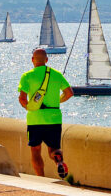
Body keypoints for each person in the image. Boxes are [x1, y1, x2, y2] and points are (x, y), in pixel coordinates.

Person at [17, 45, 76, 179]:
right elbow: (69, 93)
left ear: (33, 60)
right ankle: (59, 161)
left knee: (35, 150)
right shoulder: (56, 74)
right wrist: (57, 102)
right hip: (54, 118)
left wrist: (29, 108)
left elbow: (22, 99)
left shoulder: (27, 76)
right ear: (47, 60)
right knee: (54, 149)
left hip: (35, 119)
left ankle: (40, 179)